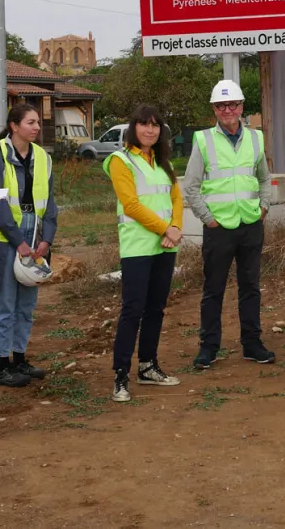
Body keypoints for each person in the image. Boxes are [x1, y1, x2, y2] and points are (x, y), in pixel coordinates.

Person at [184, 79, 275, 370]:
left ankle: (252, 343)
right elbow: (191, 186)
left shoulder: (256, 138)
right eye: (221, 105)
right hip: (219, 228)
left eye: (232, 104)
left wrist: (264, 206)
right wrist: (208, 219)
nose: (228, 110)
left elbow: (263, 177)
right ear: (214, 109)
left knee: (250, 287)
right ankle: (208, 347)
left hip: (250, 224)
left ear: (241, 107)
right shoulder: (203, 140)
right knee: (214, 289)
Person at [0, 103, 58, 388]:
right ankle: (2, 364)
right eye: (30, 122)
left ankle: (20, 358)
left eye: (37, 123)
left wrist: (46, 238)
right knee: (6, 304)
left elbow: (51, 202)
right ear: (14, 125)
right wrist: (19, 242)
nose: (36, 127)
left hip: (34, 234)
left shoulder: (43, 158)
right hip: (5, 236)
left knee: (27, 304)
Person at [106, 105, 183, 401]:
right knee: (133, 310)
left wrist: (175, 227)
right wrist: (167, 229)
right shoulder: (120, 160)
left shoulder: (164, 162)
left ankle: (148, 366)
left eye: (155, 125)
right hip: (138, 246)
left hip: (164, 246)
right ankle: (121, 375)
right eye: (143, 124)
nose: (150, 130)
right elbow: (131, 205)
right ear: (133, 127)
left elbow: (176, 197)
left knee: (156, 308)